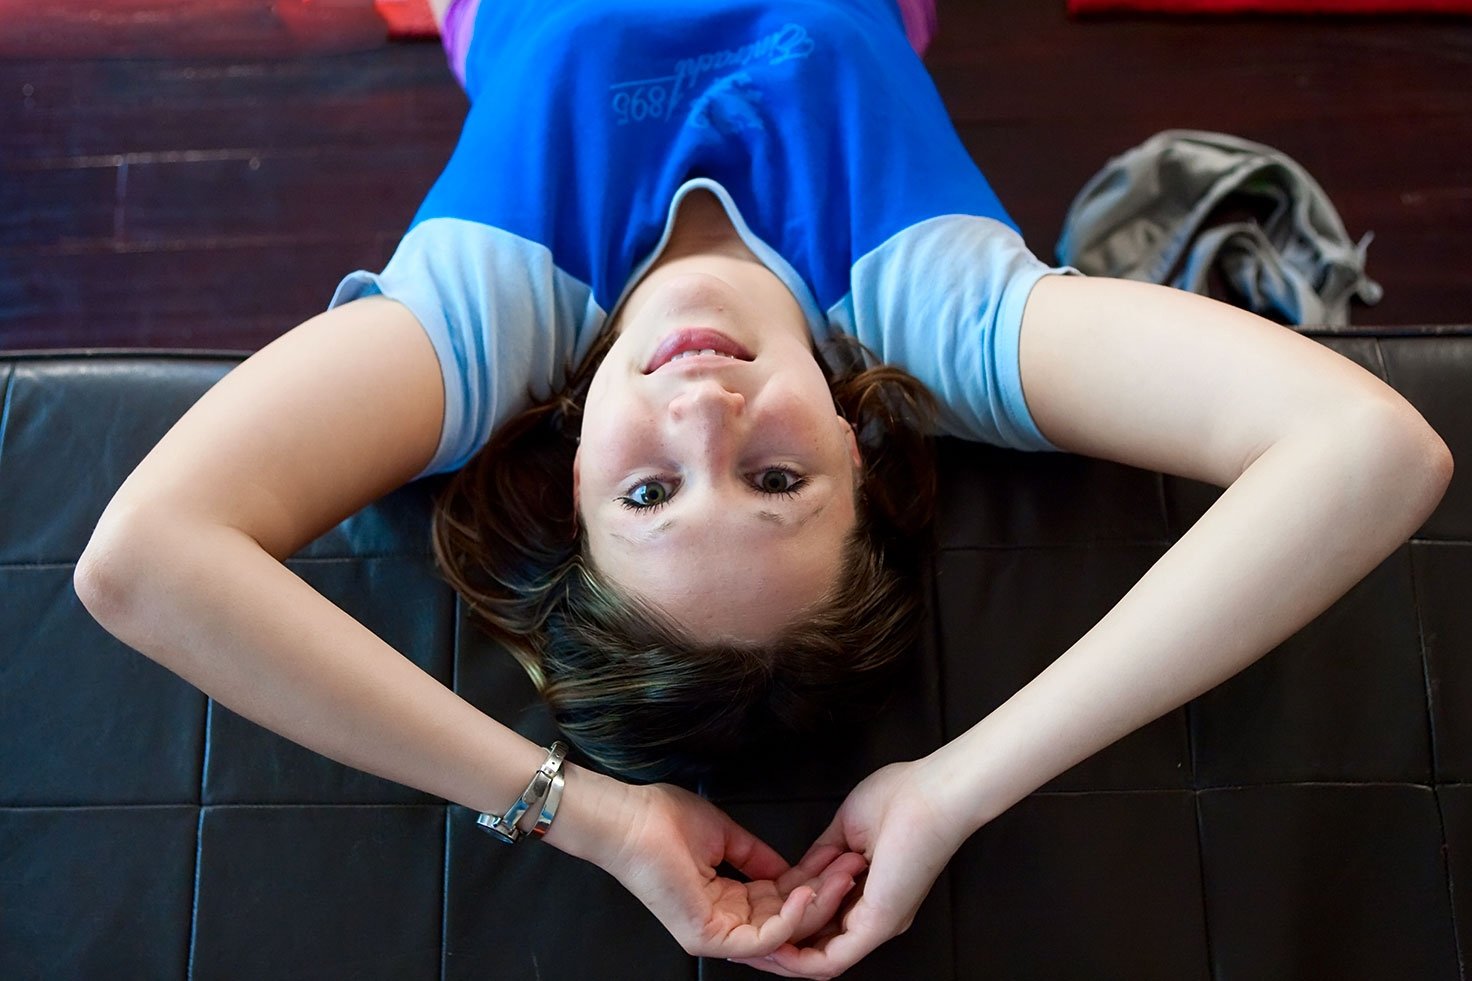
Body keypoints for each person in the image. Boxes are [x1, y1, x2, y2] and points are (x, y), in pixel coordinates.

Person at [73, 1, 1453, 977]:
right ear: (859, 453)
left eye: (650, 495)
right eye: (777, 478)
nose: (701, 410)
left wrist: (584, 814)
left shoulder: (484, 325)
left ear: (570, 474)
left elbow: (142, 557)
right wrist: (957, 786)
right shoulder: (937, 316)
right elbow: (1374, 448)